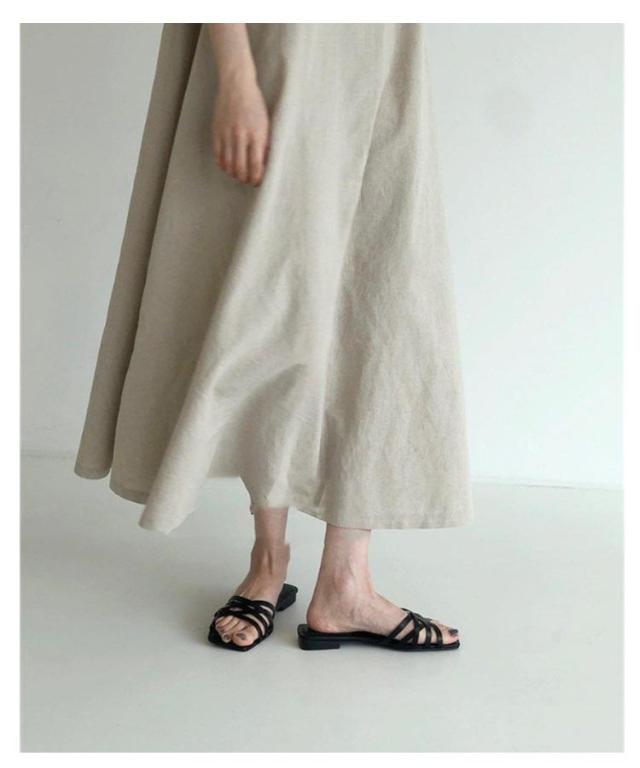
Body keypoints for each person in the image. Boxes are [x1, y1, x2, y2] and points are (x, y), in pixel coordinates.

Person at [75, 23, 472, 652]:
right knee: (269, 294)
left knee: (379, 287)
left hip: (381, 43)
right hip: (274, 39)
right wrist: (236, 74)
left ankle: (346, 582)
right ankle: (267, 560)